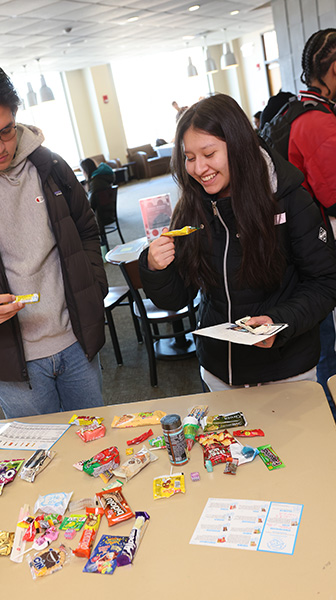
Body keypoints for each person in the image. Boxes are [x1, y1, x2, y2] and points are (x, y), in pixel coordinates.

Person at [0, 59, 108, 418]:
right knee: (40, 461)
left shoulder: (50, 167)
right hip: (9, 360)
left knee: (97, 447)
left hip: (76, 342)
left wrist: (92, 286)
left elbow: (88, 231)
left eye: (7, 130)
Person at [139, 94, 336, 391]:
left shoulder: (288, 198)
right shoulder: (192, 206)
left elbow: (325, 282)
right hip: (218, 371)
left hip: (286, 369)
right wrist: (156, 268)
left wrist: (277, 322)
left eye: (209, 154)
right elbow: (178, 298)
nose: (198, 168)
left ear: (238, 146)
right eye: (189, 157)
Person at [287, 29, 336, 409]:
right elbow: (333, 197)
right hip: (314, 244)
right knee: (326, 349)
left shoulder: (302, 111)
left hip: (305, 240)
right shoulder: (316, 122)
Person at [80, 157, 115, 251]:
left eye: (82, 170)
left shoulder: (95, 183)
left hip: (102, 217)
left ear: (86, 170)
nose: (83, 173)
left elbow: (91, 207)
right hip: (109, 212)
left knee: (80, 222)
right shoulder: (102, 177)